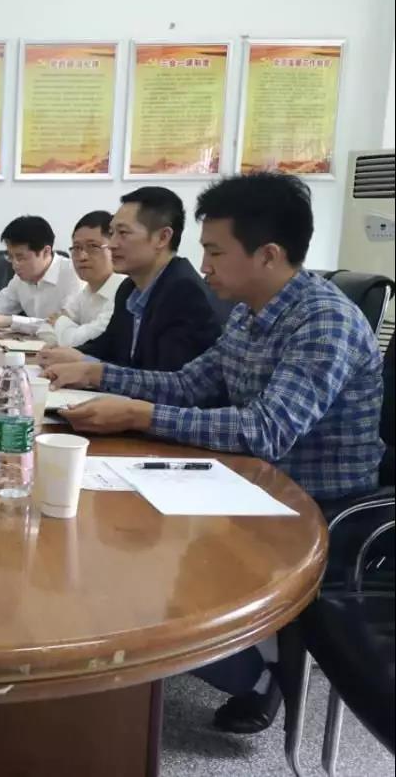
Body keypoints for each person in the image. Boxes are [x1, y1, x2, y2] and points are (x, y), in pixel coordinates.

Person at [48, 172, 384, 732]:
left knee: (138, 560)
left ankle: (261, 672)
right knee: (108, 523)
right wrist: (101, 376)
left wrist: (139, 415)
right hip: (246, 480)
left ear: (268, 254)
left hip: (313, 506)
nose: (203, 265)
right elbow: (189, 384)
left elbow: (266, 431)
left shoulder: (324, 321)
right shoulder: (250, 311)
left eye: (215, 251)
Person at [38, 187, 221, 371]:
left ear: (162, 237)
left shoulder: (184, 292)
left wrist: (88, 367)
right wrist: (71, 356)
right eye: (112, 233)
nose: (111, 244)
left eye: (123, 233)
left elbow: (164, 378)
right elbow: (106, 347)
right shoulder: (129, 288)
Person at [0, 215, 81, 333]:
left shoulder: (74, 273)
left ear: (46, 251)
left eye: (21, 258)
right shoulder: (20, 279)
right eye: (10, 257)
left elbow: (63, 325)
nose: (14, 265)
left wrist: (10, 321)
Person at [45, 210, 126, 347]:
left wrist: (60, 322)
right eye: (76, 248)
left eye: (93, 246)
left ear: (113, 247)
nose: (82, 256)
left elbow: (79, 342)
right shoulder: (86, 292)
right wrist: (67, 329)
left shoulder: (123, 292)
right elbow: (45, 330)